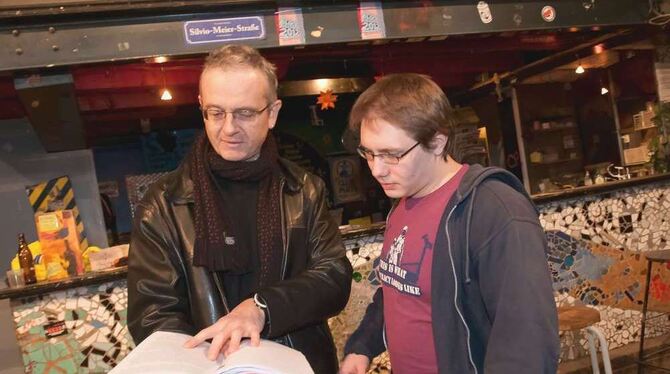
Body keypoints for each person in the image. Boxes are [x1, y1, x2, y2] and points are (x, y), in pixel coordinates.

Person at [127, 44, 352, 374]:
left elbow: (333, 278)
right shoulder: (162, 205)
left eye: (245, 113)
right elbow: (153, 314)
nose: (229, 128)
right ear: (201, 107)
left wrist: (262, 309)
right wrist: (210, 362)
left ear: (272, 113)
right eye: (216, 113)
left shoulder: (304, 189)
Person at [339, 74, 559, 374]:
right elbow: (398, 288)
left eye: (391, 154)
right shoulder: (402, 202)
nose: (377, 170)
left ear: (437, 142)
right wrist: (362, 345)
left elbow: (526, 343)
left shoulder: (495, 211)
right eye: (369, 153)